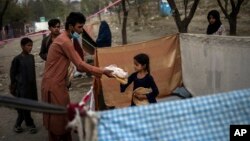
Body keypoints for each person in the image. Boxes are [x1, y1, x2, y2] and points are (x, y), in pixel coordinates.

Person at [41, 12, 113, 141]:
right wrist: (103, 71)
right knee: (59, 120)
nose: (81, 31)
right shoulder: (64, 41)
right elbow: (79, 65)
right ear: (70, 27)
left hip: (56, 83)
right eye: (79, 27)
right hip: (54, 85)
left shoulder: (66, 39)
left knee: (59, 117)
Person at [9, 37, 38, 134]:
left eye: (31, 46)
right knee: (24, 108)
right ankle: (30, 124)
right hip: (21, 88)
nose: (30, 48)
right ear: (22, 46)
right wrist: (13, 86)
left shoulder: (31, 57)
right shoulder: (17, 59)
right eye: (28, 46)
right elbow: (12, 73)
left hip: (30, 87)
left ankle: (18, 125)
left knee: (25, 108)